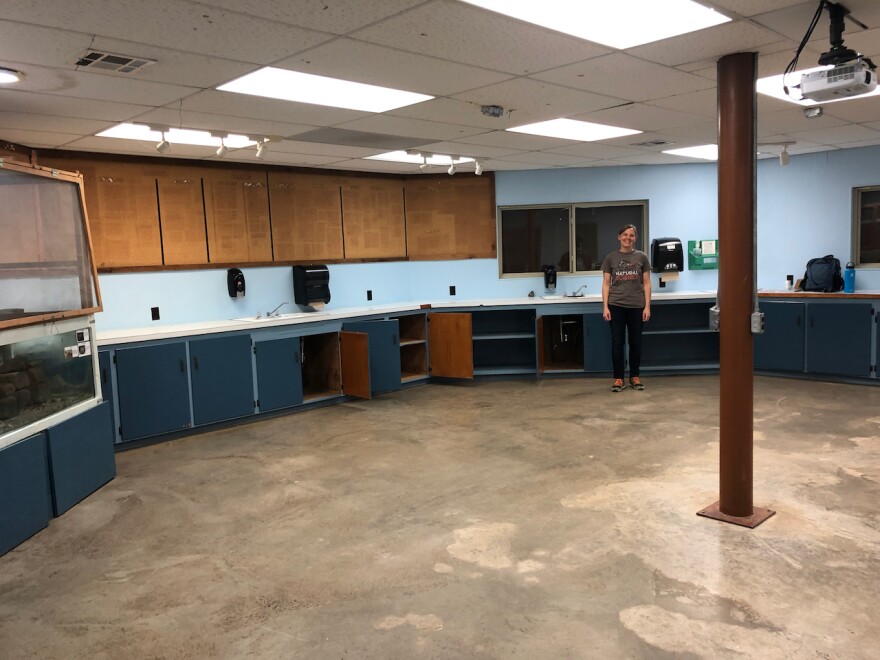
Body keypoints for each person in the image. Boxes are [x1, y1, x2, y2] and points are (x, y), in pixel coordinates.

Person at [601, 224, 651, 392]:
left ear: (635, 238)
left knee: (636, 343)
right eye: (624, 235)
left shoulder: (642, 257)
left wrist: (647, 307)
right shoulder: (610, 258)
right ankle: (618, 379)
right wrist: (605, 307)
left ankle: (635, 377)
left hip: (637, 306)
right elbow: (606, 284)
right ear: (619, 237)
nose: (627, 238)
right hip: (616, 306)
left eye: (631, 235)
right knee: (617, 343)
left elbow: (647, 283)